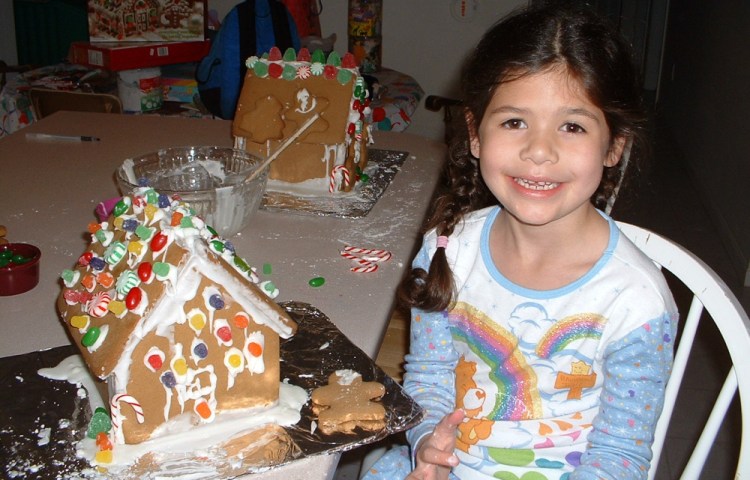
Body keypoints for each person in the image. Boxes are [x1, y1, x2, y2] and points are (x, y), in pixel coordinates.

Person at [363, 3, 678, 480]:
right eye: (514, 122)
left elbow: (619, 458)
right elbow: (429, 377)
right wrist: (427, 442)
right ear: (474, 133)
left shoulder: (636, 301)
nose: (538, 150)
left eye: (572, 126)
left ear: (614, 145)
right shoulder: (447, 249)